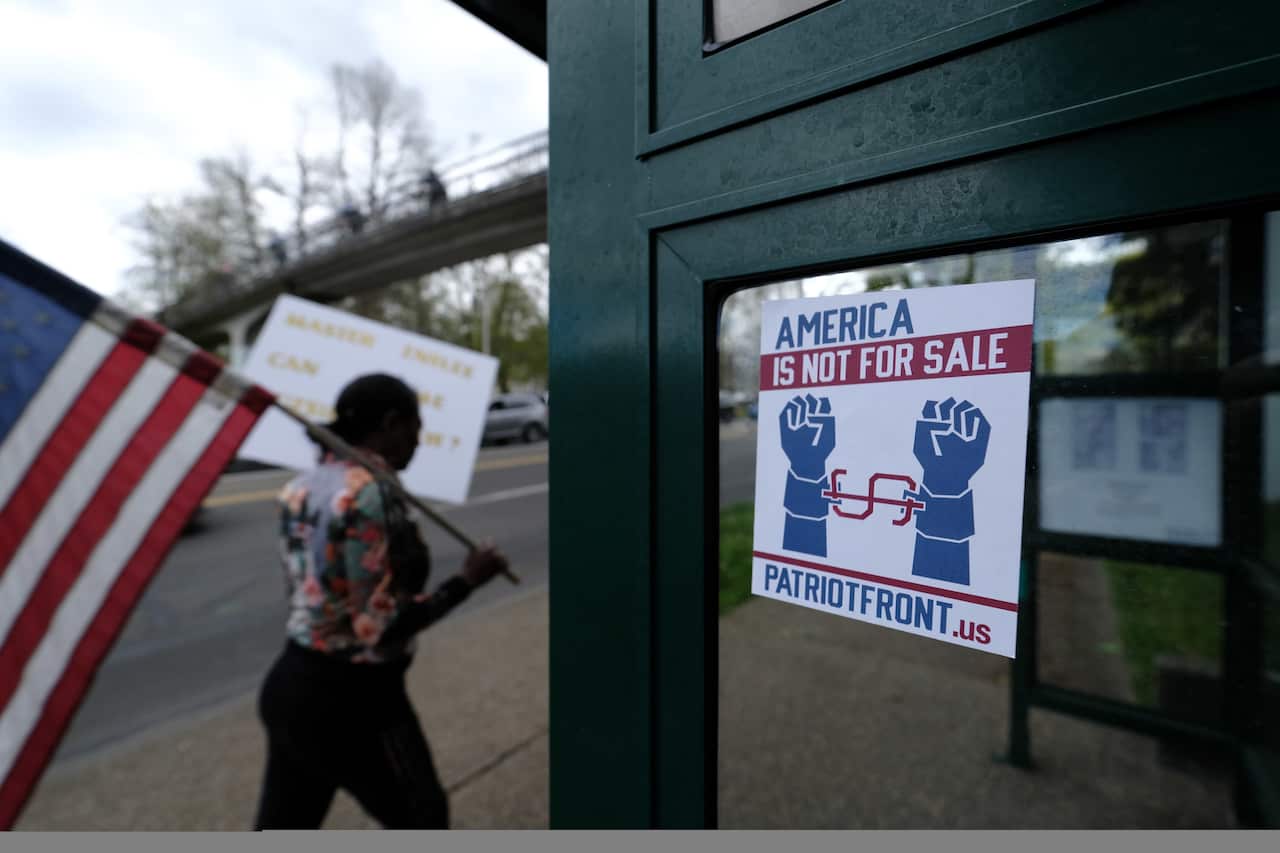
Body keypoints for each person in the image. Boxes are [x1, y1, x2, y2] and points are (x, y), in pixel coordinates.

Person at [253, 373, 508, 830]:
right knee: (423, 819)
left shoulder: (299, 487)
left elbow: (308, 592)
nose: (420, 441)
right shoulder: (373, 494)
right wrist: (467, 581)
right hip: (357, 702)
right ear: (391, 423)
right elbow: (379, 627)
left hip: (292, 683)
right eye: (416, 427)